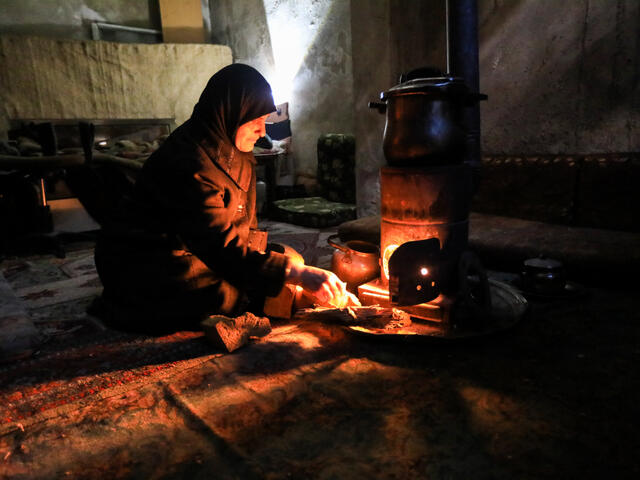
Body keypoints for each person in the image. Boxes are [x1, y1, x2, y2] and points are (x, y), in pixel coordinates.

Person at [93, 64, 357, 334]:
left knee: (290, 258)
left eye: (264, 119)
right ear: (231, 112)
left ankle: (268, 289)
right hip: (151, 259)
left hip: (202, 248)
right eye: (254, 119)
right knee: (227, 294)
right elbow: (218, 246)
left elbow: (244, 229)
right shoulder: (188, 162)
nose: (261, 130)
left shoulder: (238, 151)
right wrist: (296, 276)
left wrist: (289, 268)